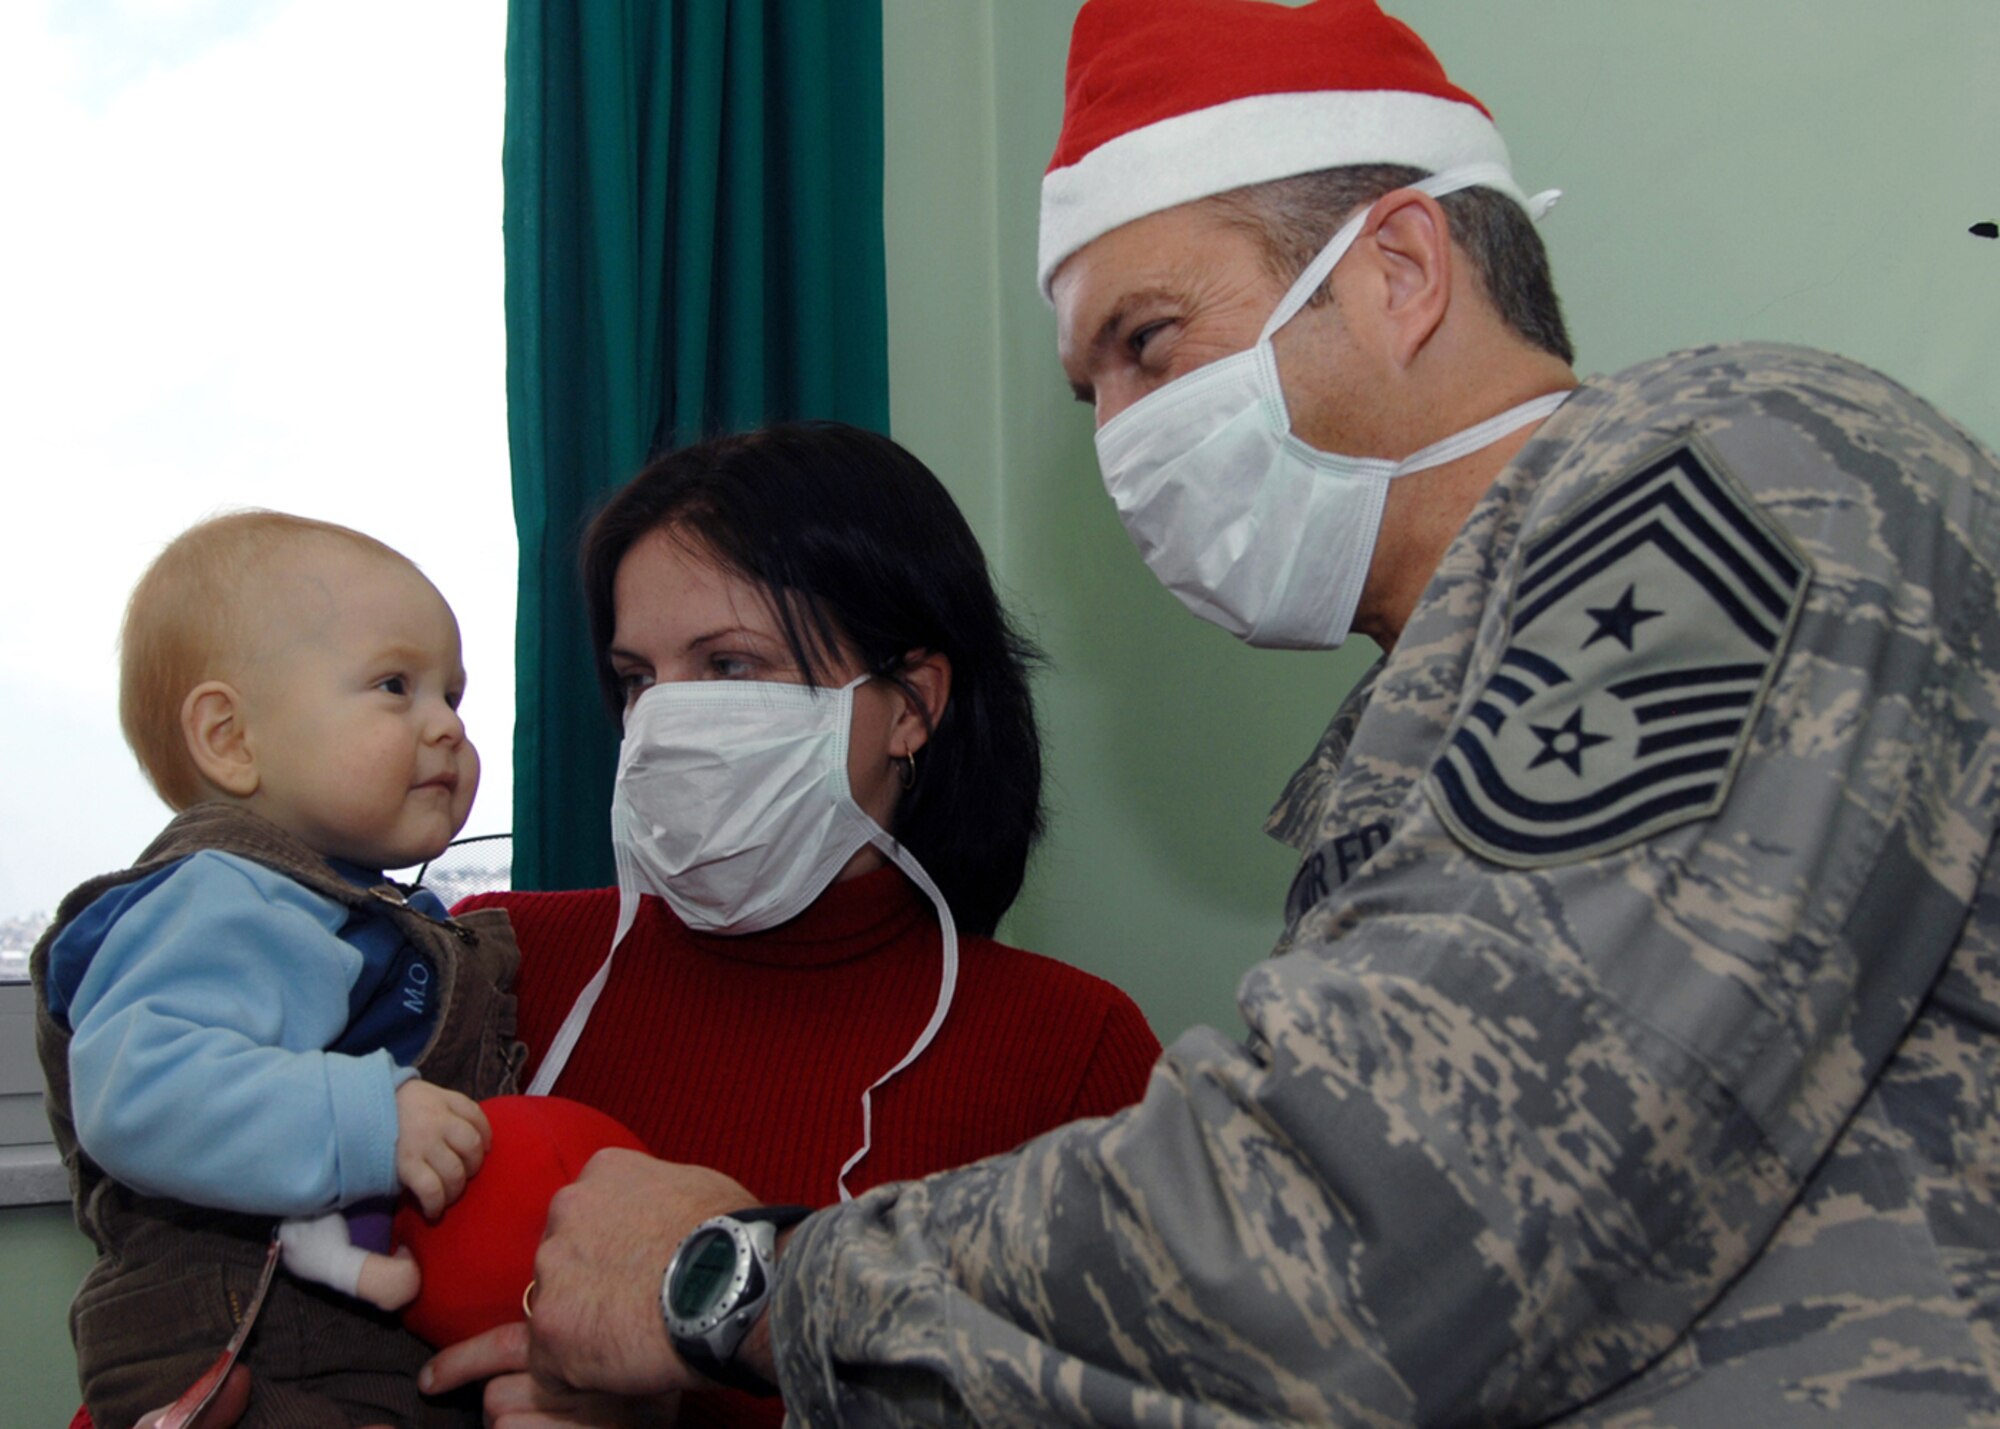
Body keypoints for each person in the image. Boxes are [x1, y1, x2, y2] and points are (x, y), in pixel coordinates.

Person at [452, 1, 2000, 1425]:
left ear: (1399, 273)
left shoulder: (1725, 471)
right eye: (1091, 392)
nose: (1124, 442)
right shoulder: (1423, 717)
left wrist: (735, 1280)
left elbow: (1384, 1227)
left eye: (1149, 344)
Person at [439, 422, 1161, 1427]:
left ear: (909, 705)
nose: (666, 725)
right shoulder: (490, 960)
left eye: (730, 666)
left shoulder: (1068, 1049)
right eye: (638, 678)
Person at [31, 511, 519, 1429]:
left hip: (354, 1345)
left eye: (454, 696)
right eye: (395, 685)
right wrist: (373, 1116)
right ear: (231, 737)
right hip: (236, 1351)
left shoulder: (370, 910)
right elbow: (140, 1090)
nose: (448, 727)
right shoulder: (223, 896)